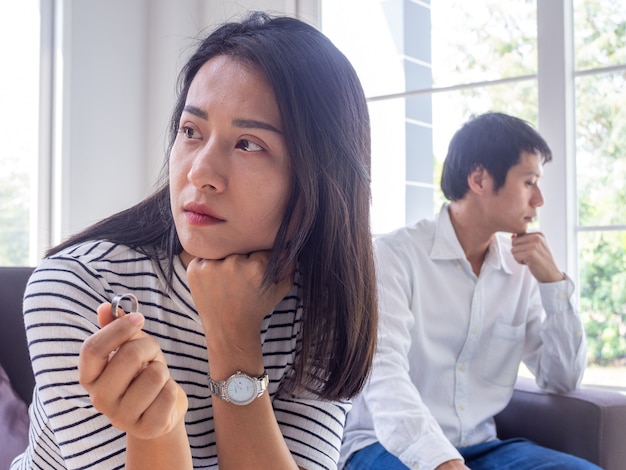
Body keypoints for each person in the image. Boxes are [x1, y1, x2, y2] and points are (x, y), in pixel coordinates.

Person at [12, 11, 377, 470]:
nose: (200, 172)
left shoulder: (319, 304)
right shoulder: (78, 286)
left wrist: (234, 336)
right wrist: (156, 433)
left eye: (248, 144)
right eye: (191, 131)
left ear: (319, 182)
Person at [339, 112, 599, 470]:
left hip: (481, 448)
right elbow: (385, 381)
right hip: (385, 447)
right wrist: (441, 461)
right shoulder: (394, 257)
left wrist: (553, 282)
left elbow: (561, 378)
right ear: (479, 178)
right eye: (529, 182)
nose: (539, 199)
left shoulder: (521, 271)